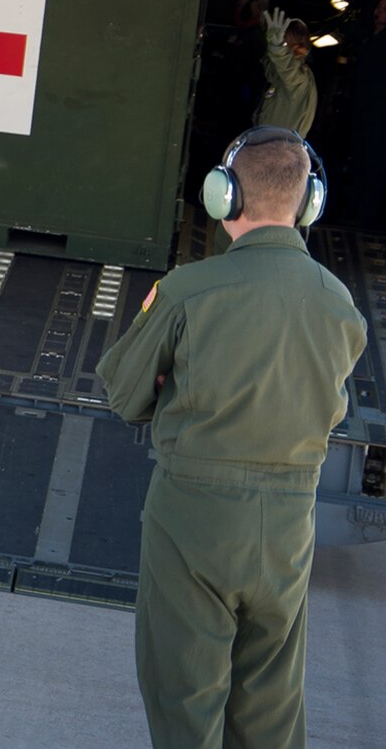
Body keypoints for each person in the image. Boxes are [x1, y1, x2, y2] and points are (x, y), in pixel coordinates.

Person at [97, 127, 364, 749]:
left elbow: (125, 395)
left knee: (185, 693)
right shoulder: (339, 303)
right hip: (290, 526)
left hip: (193, 517)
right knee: (272, 698)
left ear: (225, 197)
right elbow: (329, 412)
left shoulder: (189, 289)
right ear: (305, 205)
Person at [351, 0, 386, 228]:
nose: (378, 11)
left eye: (384, 9)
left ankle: (369, 217)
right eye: (378, 7)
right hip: (366, 111)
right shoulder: (369, 38)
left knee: (374, 164)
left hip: (378, 114)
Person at [254, 6, 316, 137]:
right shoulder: (282, 77)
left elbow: (286, 66)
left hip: (280, 152)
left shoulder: (300, 80)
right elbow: (272, 67)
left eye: (285, 42)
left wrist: (277, 47)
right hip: (268, 147)